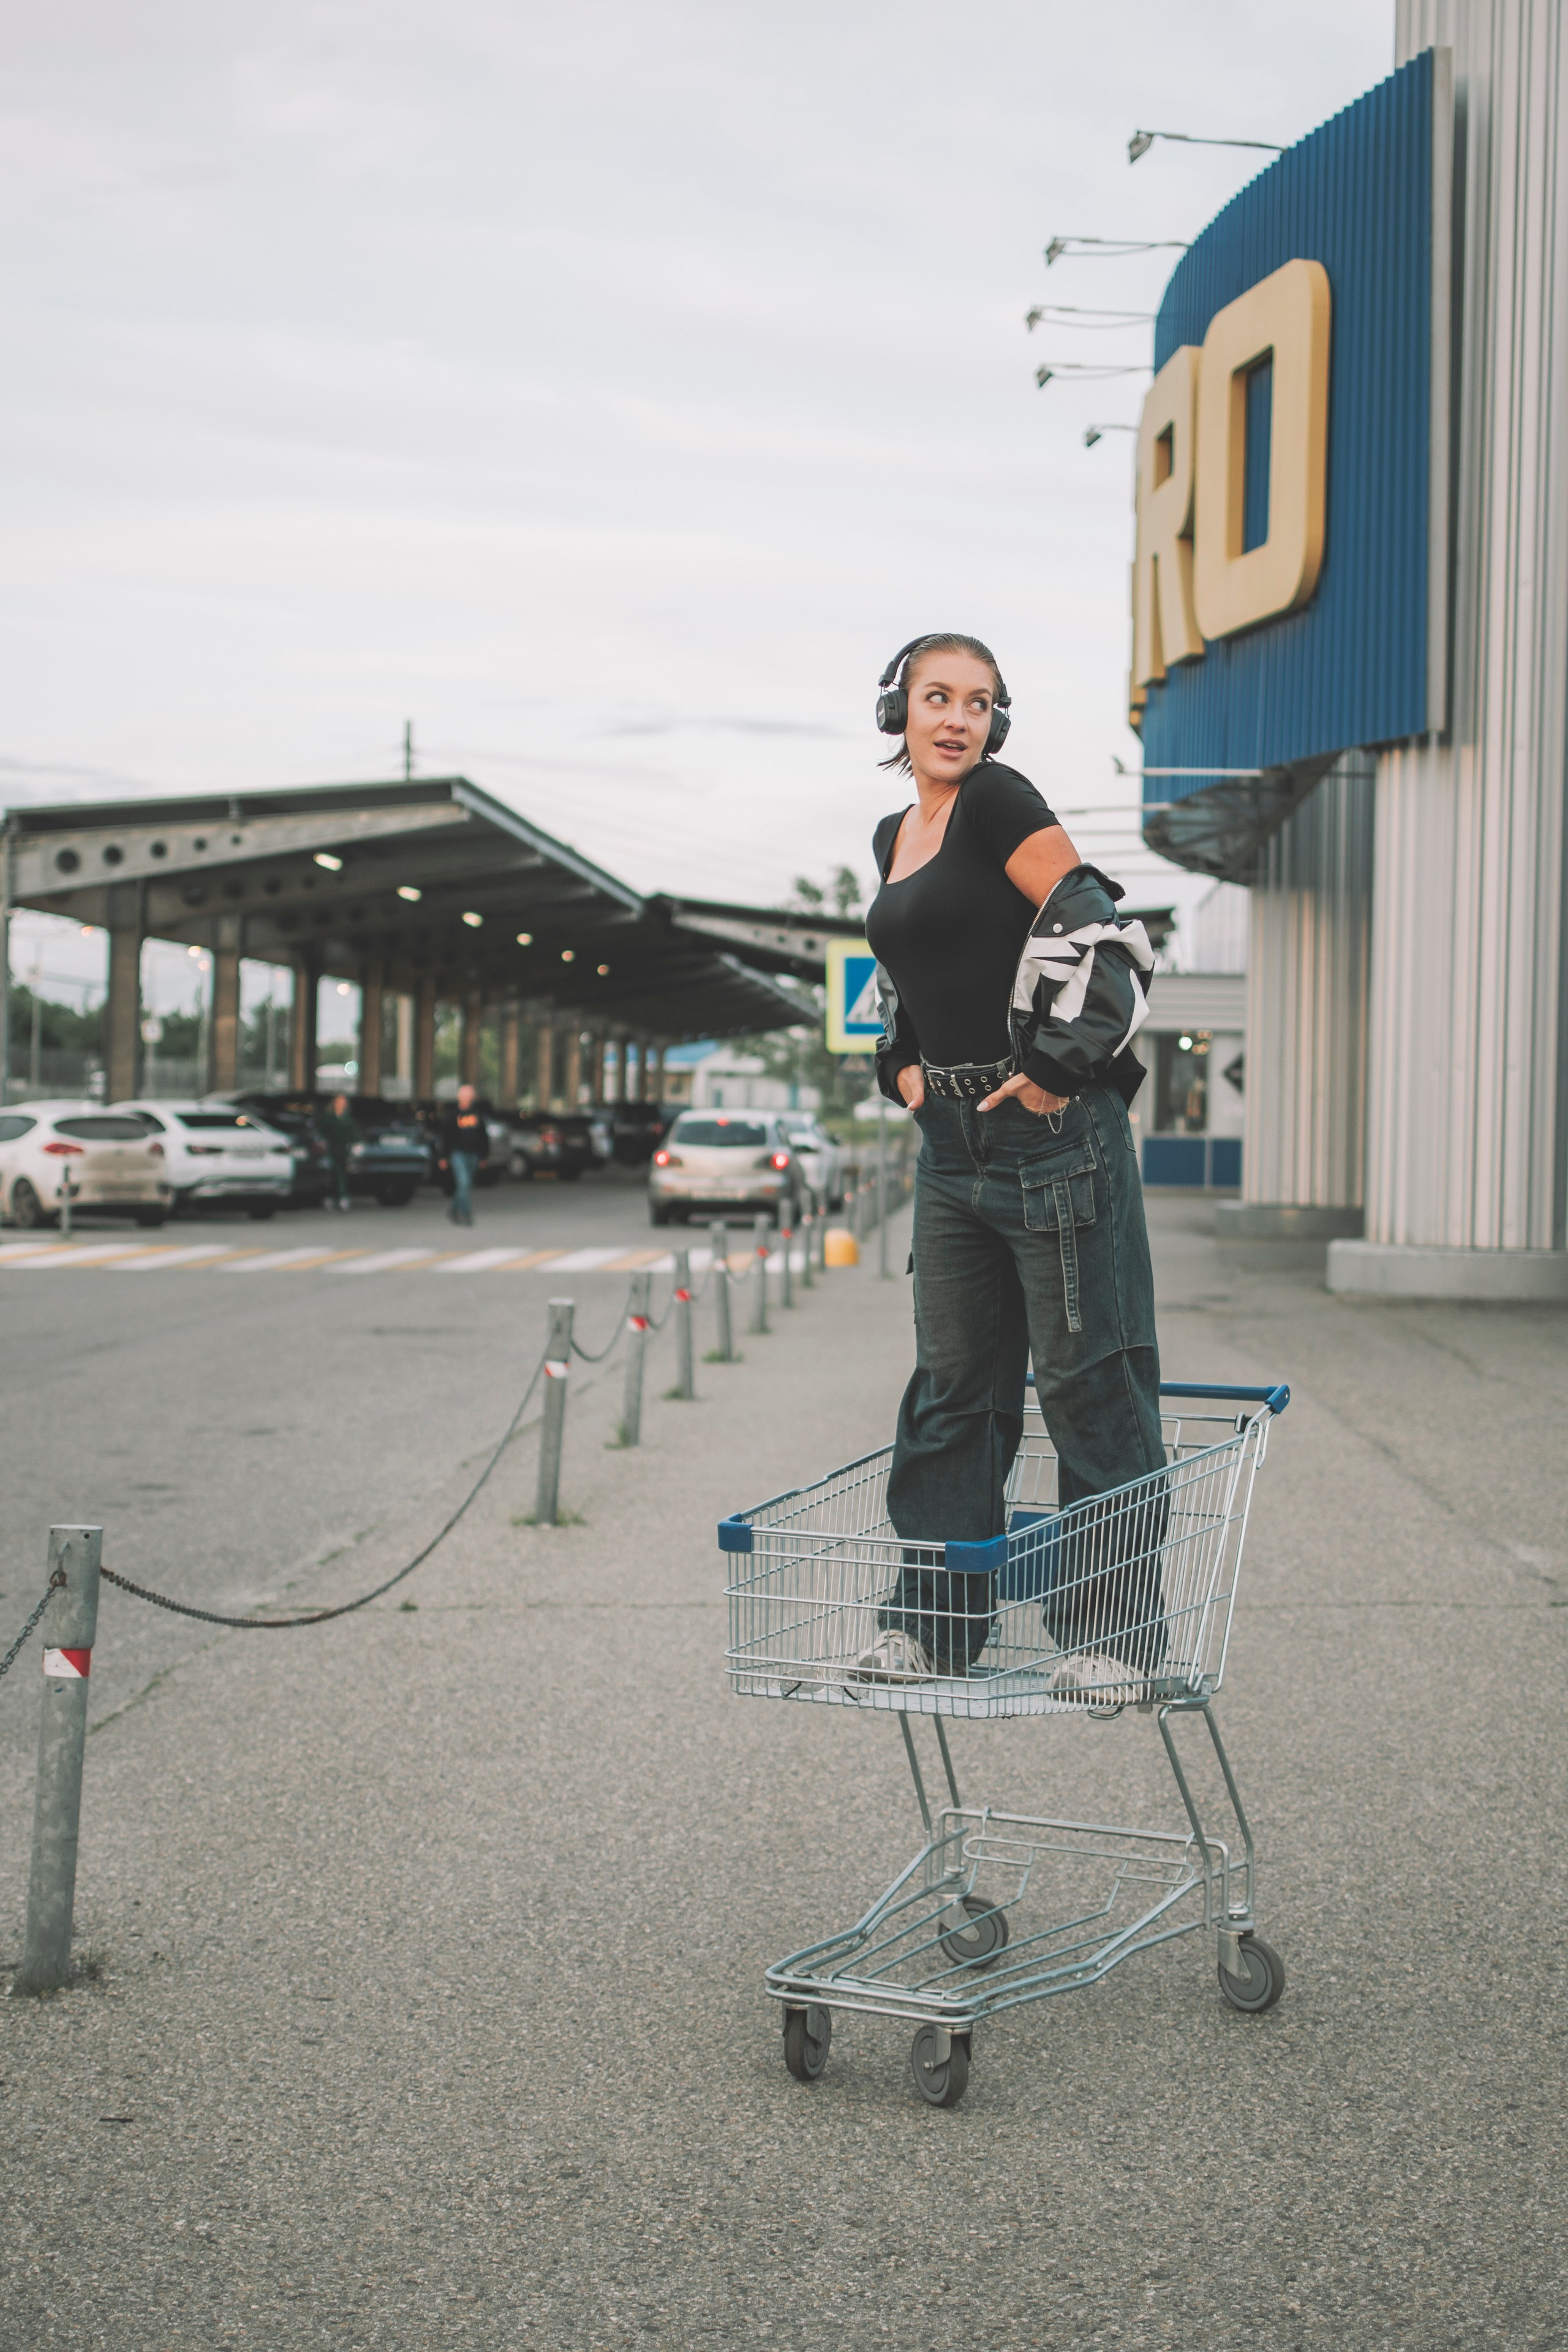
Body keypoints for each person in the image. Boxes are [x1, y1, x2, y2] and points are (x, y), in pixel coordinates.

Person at [849, 633, 1166, 1706]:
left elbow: (1100, 932)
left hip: (1051, 1143)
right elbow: (911, 975)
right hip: (949, 1152)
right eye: (937, 697)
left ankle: (1111, 1636)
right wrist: (900, 1070)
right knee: (953, 1392)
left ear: (997, 722)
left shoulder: (996, 800)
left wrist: (1051, 1073)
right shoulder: (895, 830)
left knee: (1087, 1386)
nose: (957, 718)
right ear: (898, 708)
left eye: (978, 703)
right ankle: (934, 1627)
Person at [437, 1084, 489, 1226]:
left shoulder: (477, 1115)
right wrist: (443, 1157)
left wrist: (484, 1157)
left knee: (465, 1186)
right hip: (457, 1154)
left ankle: (453, 1210)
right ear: (459, 1097)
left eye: (469, 1095)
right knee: (464, 1183)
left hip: (473, 1155)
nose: (467, 1098)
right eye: (464, 1095)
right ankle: (466, 1214)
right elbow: (444, 1138)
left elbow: (483, 1137)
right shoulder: (452, 1116)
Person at [315, 1092, 362, 1212]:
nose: (341, 1104)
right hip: (331, 1149)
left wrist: (356, 1143)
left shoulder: (347, 1117)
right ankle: (336, 1196)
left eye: (343, 1102)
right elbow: (321, 1132)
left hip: (344, 1149)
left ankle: (341, 1196)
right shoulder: (328, 1117)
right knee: (334, 1173)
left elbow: (353, 1132)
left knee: (342, 1173)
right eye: (338, 1101)